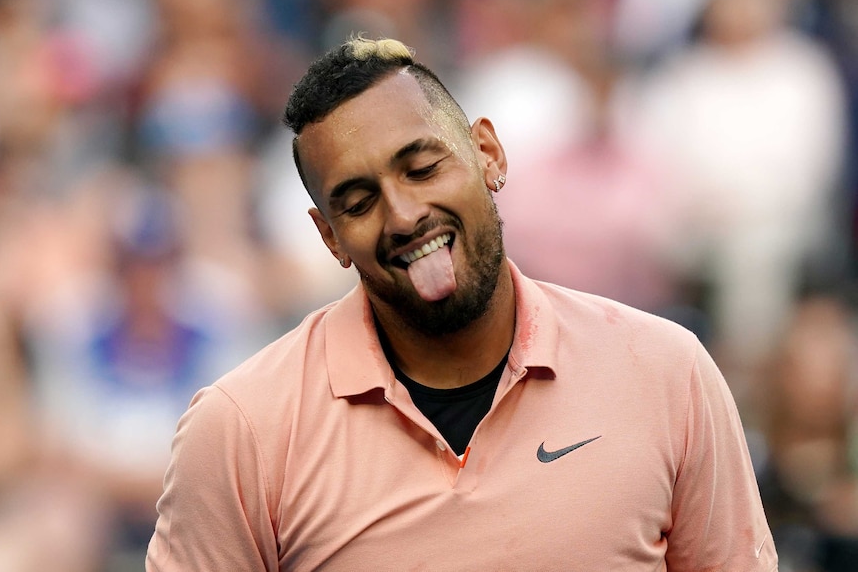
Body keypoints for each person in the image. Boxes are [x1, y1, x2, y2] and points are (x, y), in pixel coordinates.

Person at [146, 36, 778, 570]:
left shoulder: (666, 372)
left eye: (422, 168)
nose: (404, 215)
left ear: (488, 154)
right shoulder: (242, 430)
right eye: (360, 202)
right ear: (329, 237)